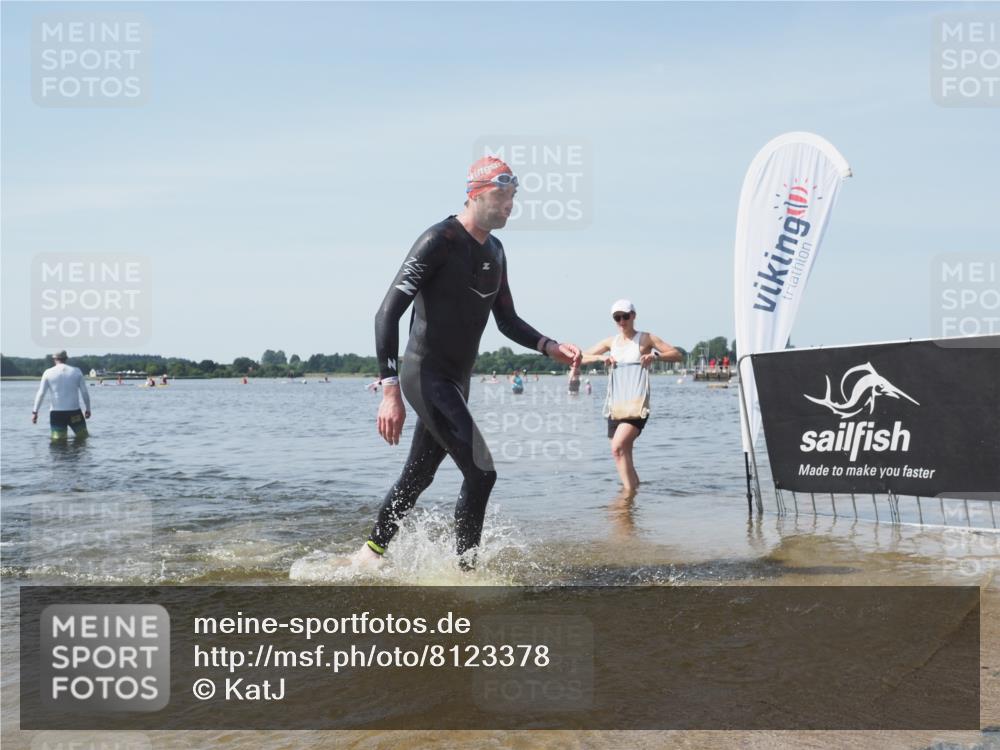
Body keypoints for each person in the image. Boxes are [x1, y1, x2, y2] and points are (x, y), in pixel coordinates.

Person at [355, 155, 581, 568]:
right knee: (482, 473)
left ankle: (369, 555)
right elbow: (386, 313)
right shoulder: (438, 240)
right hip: (424, 375)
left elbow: (507, 321)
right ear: (474, 194)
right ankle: (467, 572)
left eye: (513, 196)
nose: (509, 204)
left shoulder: (496, 251)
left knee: (418, 476)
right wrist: (389, 392)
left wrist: (548, 345)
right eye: (501, 195)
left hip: (456, 382)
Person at [581, 300, 681, 492]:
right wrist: (601, 357)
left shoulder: (646, 339)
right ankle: (632, 501)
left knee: (617, 447)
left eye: (625, 316)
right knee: (621, 454)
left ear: (633, 316)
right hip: (615, 407)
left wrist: (655, 356)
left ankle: (627, 498)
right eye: (617, 317)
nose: (622, 320)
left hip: (636, 406)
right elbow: (582, 357)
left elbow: (676, 354)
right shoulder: (610, 342)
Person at [31, 350, 91, 441]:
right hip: (74, 412)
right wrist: (88, 409)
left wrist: (35, 412)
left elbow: (41, 393)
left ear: (54, 359)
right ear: (66, 358)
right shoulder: (77, 371)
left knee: (58, 442)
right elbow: (84, 392)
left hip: (57, 414)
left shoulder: (48, 373)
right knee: (83, 438)